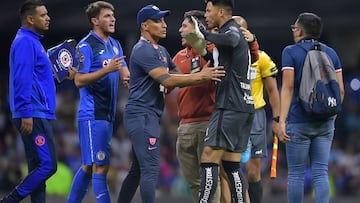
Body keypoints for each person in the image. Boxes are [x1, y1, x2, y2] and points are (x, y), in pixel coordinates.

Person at [117, 4, 225, 203]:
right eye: (158, 21)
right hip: (141, 114)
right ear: (145, 26)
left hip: (149, 114)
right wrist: (202, 76)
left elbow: (179, 76)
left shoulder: (162, 51)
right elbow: (168, 80)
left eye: (164, 20)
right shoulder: (143, 50)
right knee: (150, 168)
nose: (164, 25)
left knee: (138, 170)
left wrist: (203, 66)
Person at [3, 0, 75, 202]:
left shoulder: (33, 42)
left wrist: (62, 76)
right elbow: (21, 79)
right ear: (30, 19)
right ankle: (10, 200)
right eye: (43, 15)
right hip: (33, 113)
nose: (48, 18)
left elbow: (38, 79)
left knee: (38, 169)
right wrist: (26, 112)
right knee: (48, 165)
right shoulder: (25, 41)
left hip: (36, 111)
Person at [189, 0, 255, 202]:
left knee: (208, 157)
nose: (205, 16)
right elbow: (225, 55)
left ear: (221, 12)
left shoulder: (232, 29)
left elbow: (232, 40)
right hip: (244, 105)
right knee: (232, 165)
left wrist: (204, 34)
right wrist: (202, 49)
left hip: (229, 105)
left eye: (208, 11)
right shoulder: (230, 33)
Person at [67, 1, 130, 203]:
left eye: (113, 15)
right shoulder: (86, 46)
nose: (112, 19)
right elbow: (78, 80)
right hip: (92, 113)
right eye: (107, 16)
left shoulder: (115, 45)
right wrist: (106, 70)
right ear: (95, 21)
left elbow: (124, 73)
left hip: (108, 115)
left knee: (88, 166)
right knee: (100, 165)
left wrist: (129, 78)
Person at [278, 12, 344, 203]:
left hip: (298, 120)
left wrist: (282, 120)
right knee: (321, 172)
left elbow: (288, 87)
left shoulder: (290, 52)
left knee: (296, 174)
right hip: (325, 122)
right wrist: (332, 116)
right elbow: (340, 90)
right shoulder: (331, 53)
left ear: (298, 31)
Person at [232, 16, 281, 203]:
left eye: (239, 30)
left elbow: (272, 91)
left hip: (255, 118)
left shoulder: (262, 58)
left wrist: (277, 120)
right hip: (231, 115)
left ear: (247, 33)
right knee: (231, 168)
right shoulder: (223, 57)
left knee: (253, 173)